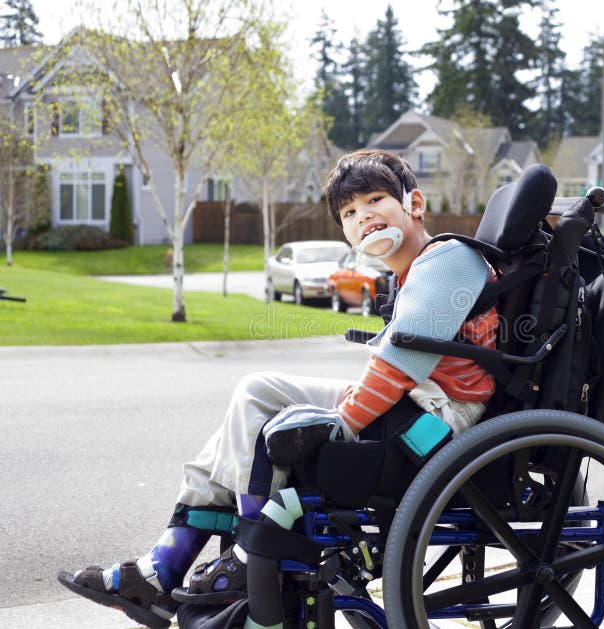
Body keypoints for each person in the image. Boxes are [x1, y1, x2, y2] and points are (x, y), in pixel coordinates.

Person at [58, 149, 499, 629]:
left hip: (436, 420)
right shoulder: (413, 271)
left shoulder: (449, 259)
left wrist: (339, 426)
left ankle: (245, 560)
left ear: (414, 204)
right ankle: (164, 568)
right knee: (258, 391)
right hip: (414, 401)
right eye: (349, 213)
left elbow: (398, 367)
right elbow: (398, 368)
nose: (363, 216)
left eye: (375, 200)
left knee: (275, 413)